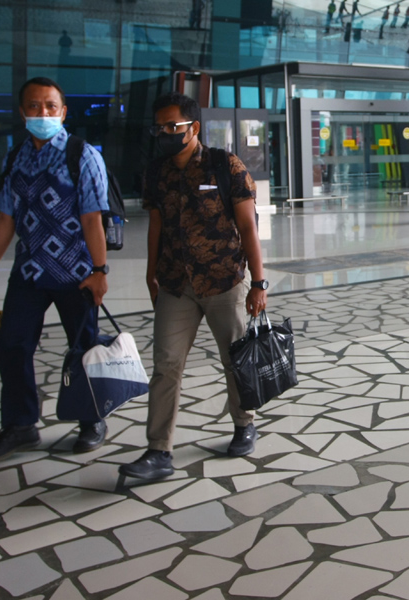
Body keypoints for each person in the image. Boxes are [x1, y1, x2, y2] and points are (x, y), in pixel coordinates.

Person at [119, 92, 267, 481]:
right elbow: (155, 225)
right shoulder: (156, 172)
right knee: (166, 364)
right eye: (159, 128)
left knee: (234, 360)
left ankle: (244, 424)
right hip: (175, 283)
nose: (165, 133)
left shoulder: (225, 165)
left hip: (224, 280)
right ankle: (159, 451)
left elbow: (248, 226)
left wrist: (259, 282)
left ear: (194, 127)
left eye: (173, 126)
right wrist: (150, 272)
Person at [0, 77, 110, 462]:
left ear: (63, 112)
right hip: (29, 272)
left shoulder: (82, 155)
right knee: (13, 345)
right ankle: (20, 426)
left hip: (77, 273)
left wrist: (100, 270)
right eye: (34, 106)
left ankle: (92, 420)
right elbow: (6, 216)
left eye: (51, 106)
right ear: (23, 113)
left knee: (83, 348)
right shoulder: (15, 157)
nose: (43, 112)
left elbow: (92, 219)